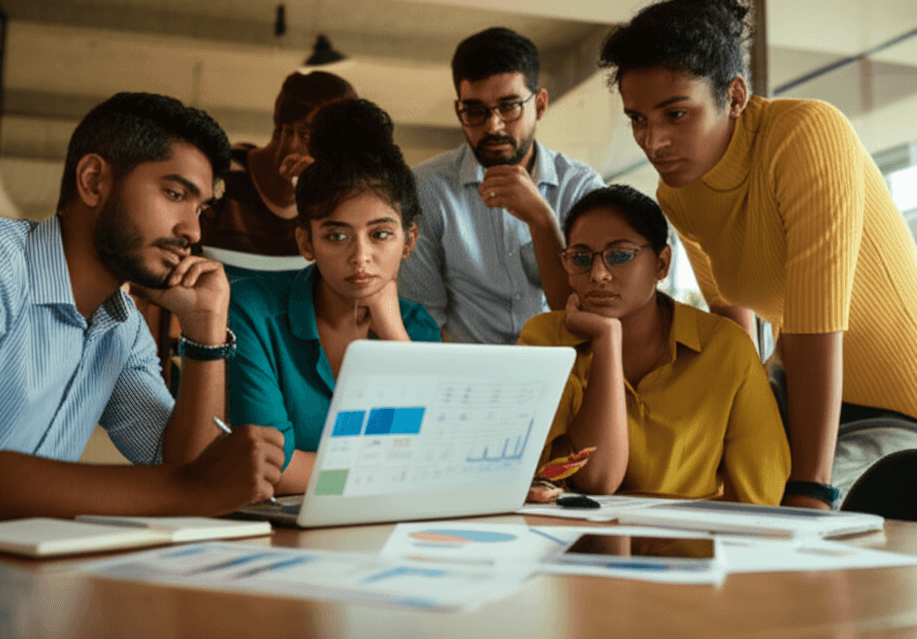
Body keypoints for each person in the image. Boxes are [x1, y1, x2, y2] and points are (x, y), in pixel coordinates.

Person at [0, 92, 285, 536]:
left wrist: (205, 331)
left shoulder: (123, 329)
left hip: (6, 580)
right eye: (175, 193)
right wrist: (189, 487)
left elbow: (186, 469)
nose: (192, 231)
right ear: (94, 181)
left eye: (199, 209)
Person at [599, 0, 917, 509]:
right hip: (799, 395)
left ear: (736, 96)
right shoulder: (678, 193)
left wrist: (809, 487)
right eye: (638, 119)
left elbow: (817, 326)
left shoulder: (807, 136)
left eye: (676, 114)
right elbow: (730, 324)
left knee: (777, 510)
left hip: (897, 410)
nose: (653, 142)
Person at [520, 185, 789, 504]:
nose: (598, 274)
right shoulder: (546, 340)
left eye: (619, 255)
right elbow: (598, 477)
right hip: (575, 539)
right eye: (580, 258)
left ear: (661, 264)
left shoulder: (724, 347)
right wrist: (607, 340)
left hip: (687, 541)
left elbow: (762, 493)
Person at [226, 99, 440, 495]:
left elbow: (431, 452)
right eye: (336, 235)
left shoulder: (415, 328)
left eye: (380, 234)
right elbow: (271, 469)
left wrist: (391, 329)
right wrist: (389, 468)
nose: (361, 256)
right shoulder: (250, 311)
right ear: (306, 241)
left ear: (408, 240)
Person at [398, 27, 603, 345]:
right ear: (459, 111)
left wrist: (543, 221)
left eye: (509, 106)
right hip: (465, 377)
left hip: (566, 375)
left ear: (541, 104)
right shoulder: (425, 189)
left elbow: (589, 315)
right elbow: (424, 323)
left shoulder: (581, 188)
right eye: (475, 110)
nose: (493, 125)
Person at [198, 70, 357, 271]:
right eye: (316, 140)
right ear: (285, 131)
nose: (331, 159)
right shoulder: (218, 176)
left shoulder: (326, 204)